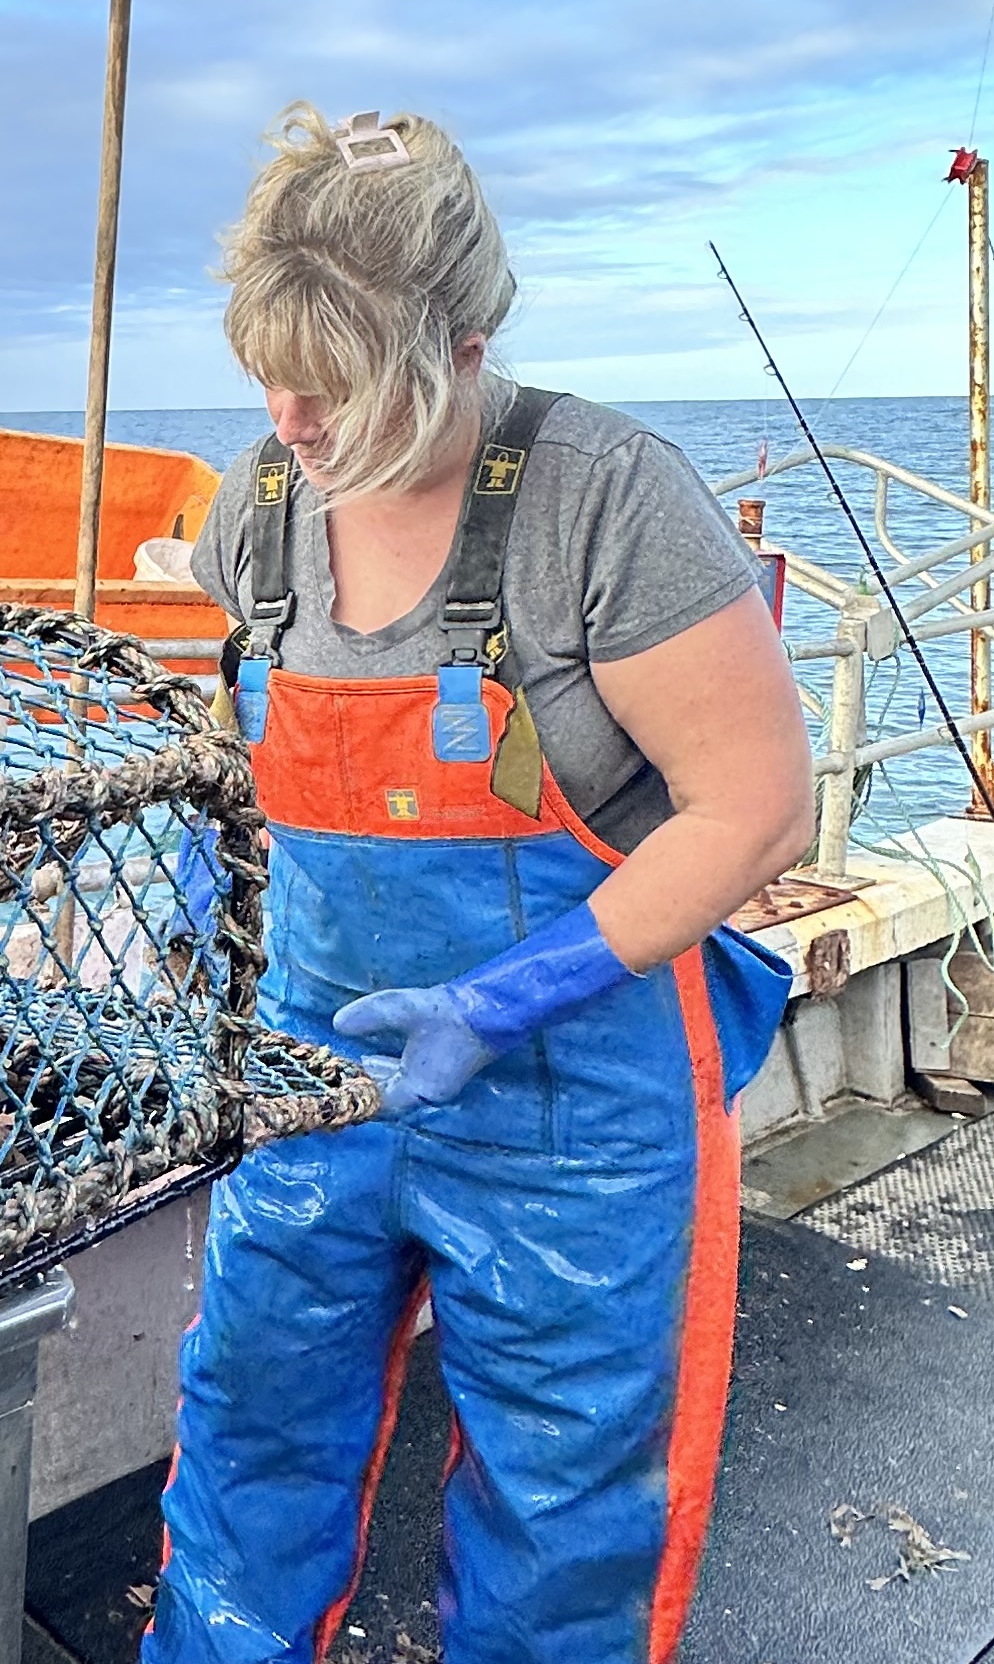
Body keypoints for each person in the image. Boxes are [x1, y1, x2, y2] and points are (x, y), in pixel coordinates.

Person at [145, 106, 815, 1664]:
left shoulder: (605, 499)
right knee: (246, 1445)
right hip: (316, 1075)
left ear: (463, 339)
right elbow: (250, 766)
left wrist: (506, 994)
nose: (291, 419)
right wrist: (210, 919)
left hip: (576, 1099)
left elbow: (757, 806)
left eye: (336, 383)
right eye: (271, 371)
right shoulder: (263, 504)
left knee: (564, 1522)